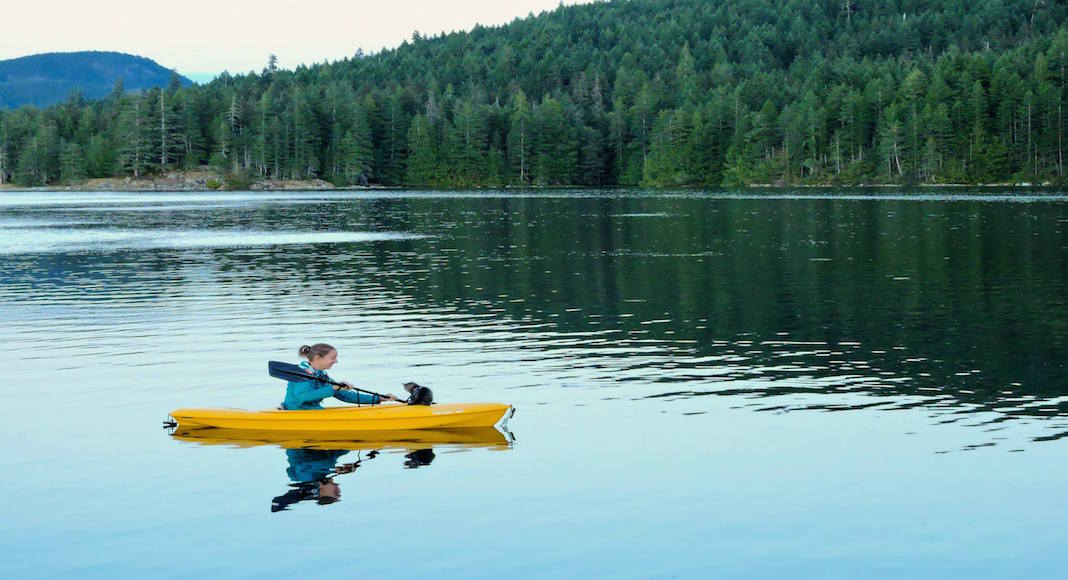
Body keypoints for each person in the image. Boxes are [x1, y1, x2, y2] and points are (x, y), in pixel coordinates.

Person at [281, 343, 398, 410]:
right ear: (317, 358)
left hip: (312, 412)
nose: (336, 361)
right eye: (332, 358)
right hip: (296, 413)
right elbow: (304, 397)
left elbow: (345, 395)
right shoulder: (301, 374)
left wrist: (378, 398)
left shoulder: (320, 374)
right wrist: (334, 388)